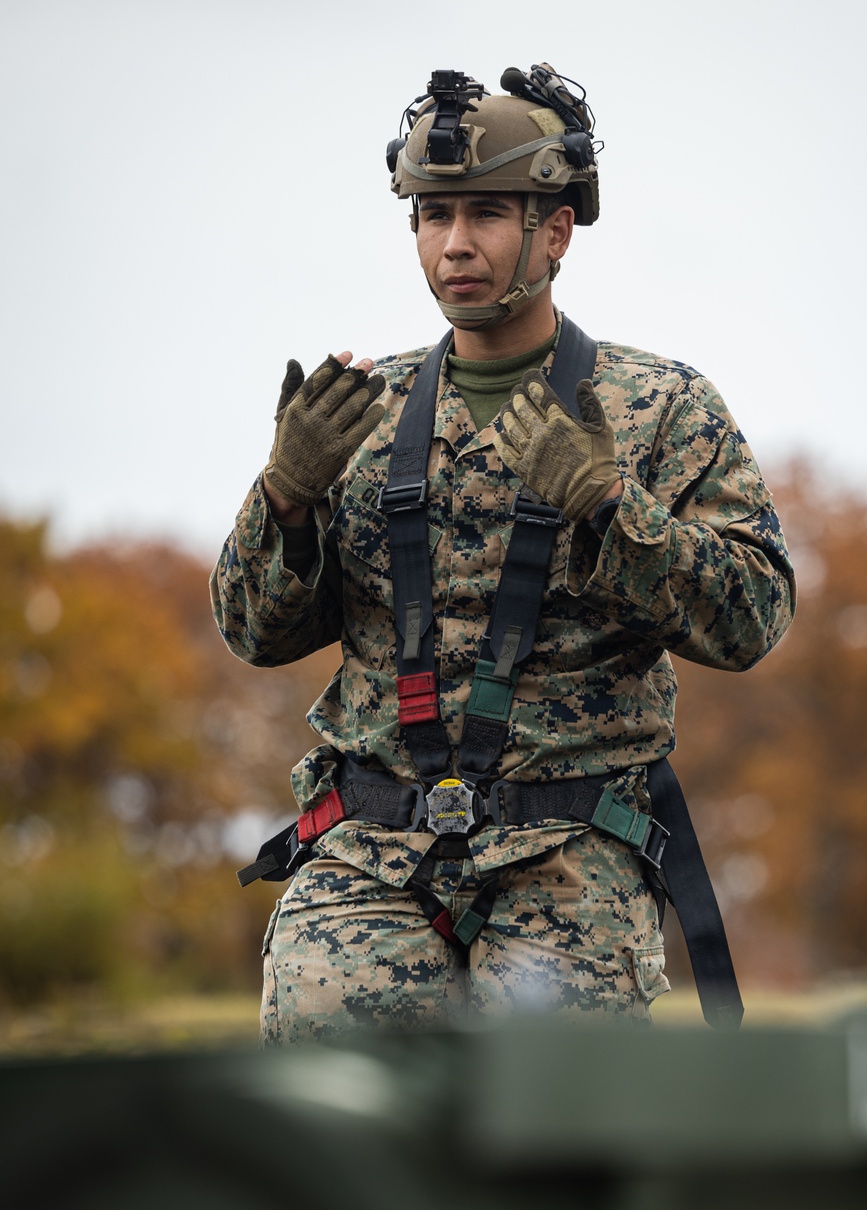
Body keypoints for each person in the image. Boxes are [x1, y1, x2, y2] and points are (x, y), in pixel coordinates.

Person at [211, 63, 795, 1042]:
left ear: (553, 231)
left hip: (569, 860)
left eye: (485, 212)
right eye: (431, 216)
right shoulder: (360, 411)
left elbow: (751, 618)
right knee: (332, 1142)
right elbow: (249, 631)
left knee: (549, 1158)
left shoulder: (658, 407)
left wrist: (609, 504)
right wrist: (286, 497)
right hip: (368, 861)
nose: (454, 244)